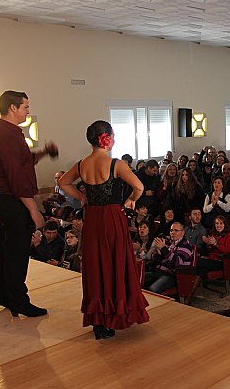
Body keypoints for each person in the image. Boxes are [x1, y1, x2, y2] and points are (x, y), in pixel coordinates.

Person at [59, 120, 149, 339]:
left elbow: (63, 182)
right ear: (106, 138)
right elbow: (139, 187)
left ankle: (99, 322)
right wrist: (130, 200)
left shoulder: (82, 164)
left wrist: (83, 198)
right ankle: (115, 316)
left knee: (96, 266)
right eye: (113, 136)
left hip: (93, 219)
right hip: (112, 218)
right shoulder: (116, 164)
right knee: (115, 264)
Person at [0, 90, 59, 317]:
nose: (28, 111)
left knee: (6, 249)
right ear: (12, 108)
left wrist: (44, 152)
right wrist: (33, 210)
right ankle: (18, 301)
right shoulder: (6, 135)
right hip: (12, 200)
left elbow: (23, 162)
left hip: (6, 198)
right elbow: (16, 176)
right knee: (17, 253)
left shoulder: (8, 132)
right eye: (25, 107)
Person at [144, 221, 194, 294]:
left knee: (152, 290)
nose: (172, 233)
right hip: (159, 271)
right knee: (136, 280)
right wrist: (157, 253)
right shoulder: (171, 244)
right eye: (171, 230)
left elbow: (177, 262)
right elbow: (162, 258)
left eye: (176, 230)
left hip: (172, 275)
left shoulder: (186, 245)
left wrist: (163, 249)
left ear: (183, 233)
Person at [196, 215, 230, 279]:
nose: (218, 225)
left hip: (221, 261)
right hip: (211, 258)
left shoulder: (229, 235)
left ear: (225, 224)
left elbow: (227, 251)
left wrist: (216, 244)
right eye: (217, 223)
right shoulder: (214, 234)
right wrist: (208, 244)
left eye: (221, 223)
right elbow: (210, 251)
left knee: (198, 262)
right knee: (198, 268)